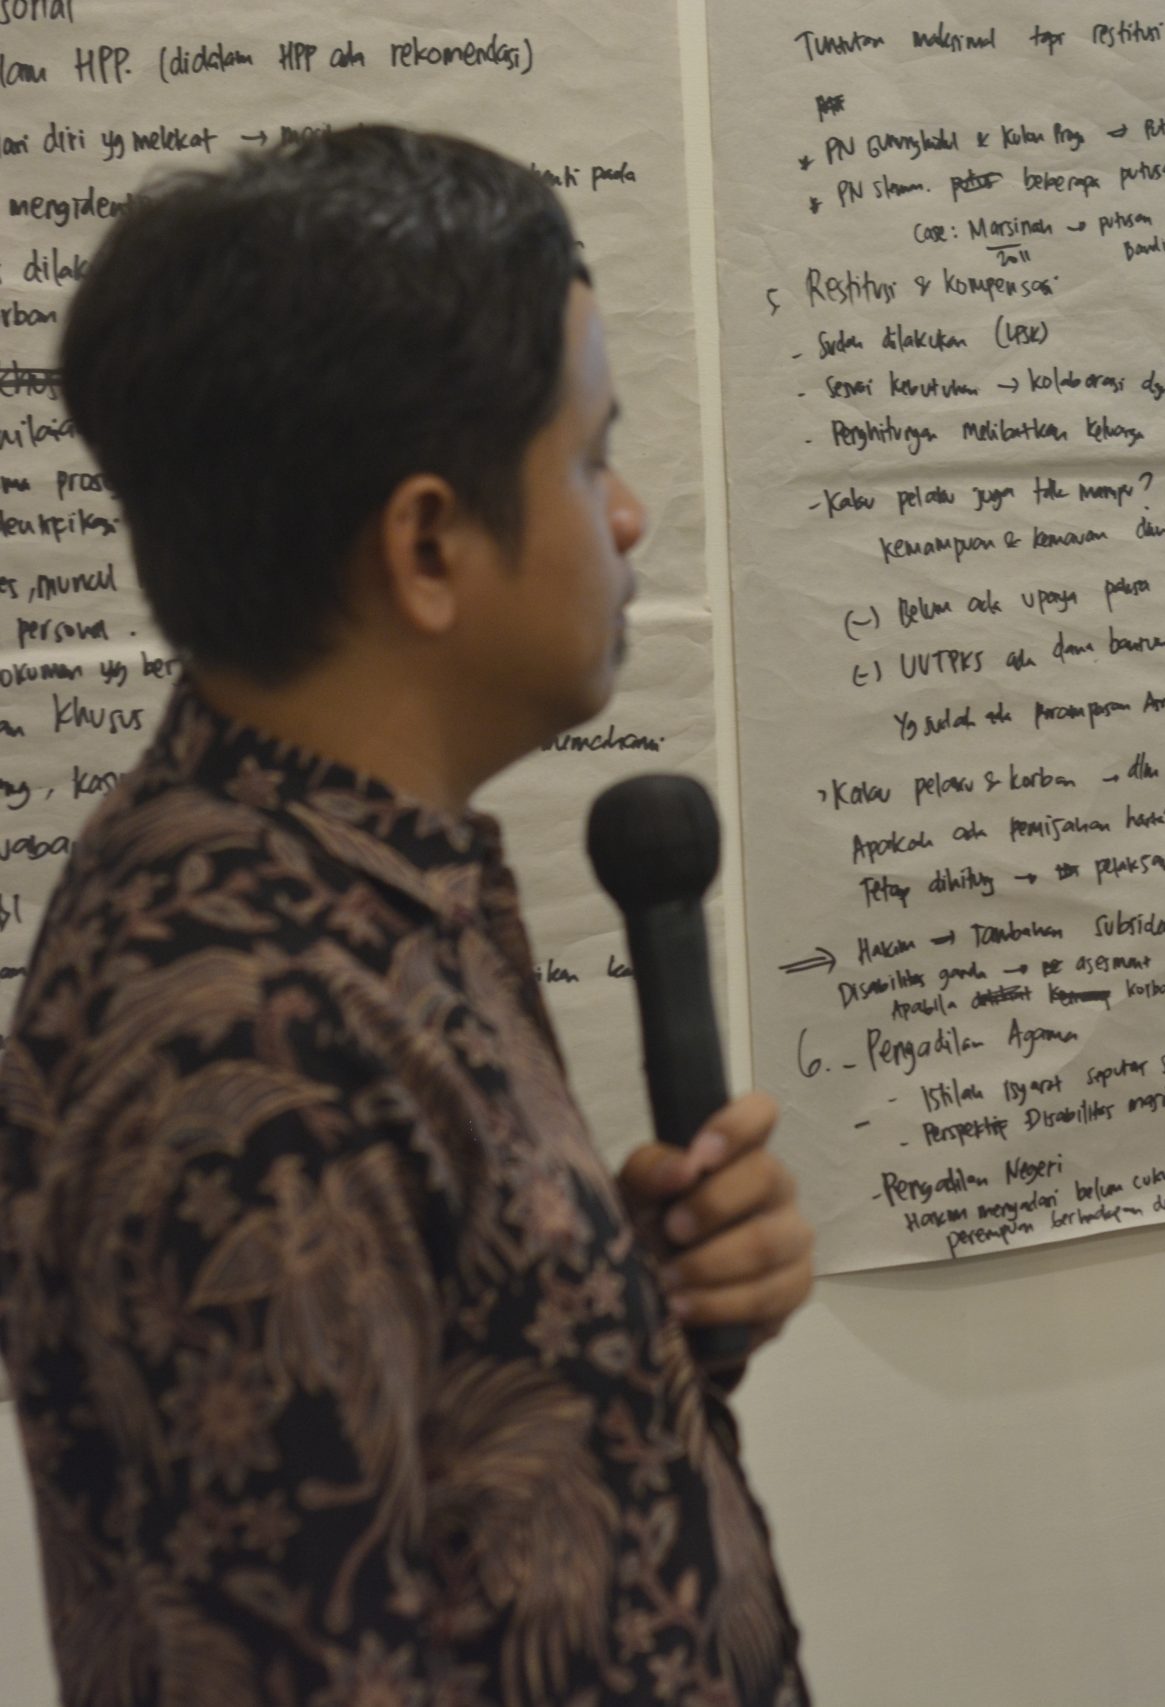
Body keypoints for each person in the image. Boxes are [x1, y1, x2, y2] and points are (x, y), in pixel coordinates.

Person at [0, 128, 814, 1704]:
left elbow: (434, 1489)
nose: (630, 515)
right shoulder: (250, 1047)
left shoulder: (330, 875)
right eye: (590, 459)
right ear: (429, 544)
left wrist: (622, 1311)